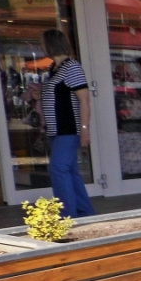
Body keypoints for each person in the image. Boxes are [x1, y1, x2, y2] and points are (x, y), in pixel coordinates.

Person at [39, 29, 95, 218]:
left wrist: (84, 130)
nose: (41, 47)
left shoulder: (72, 67)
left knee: (58, 169)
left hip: (68, 129)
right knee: (70, 171)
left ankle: (66, 216)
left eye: (43, 43)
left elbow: (84, 100)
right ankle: (84, 213)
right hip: (57, 130)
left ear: (51, 44)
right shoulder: (55, 68)